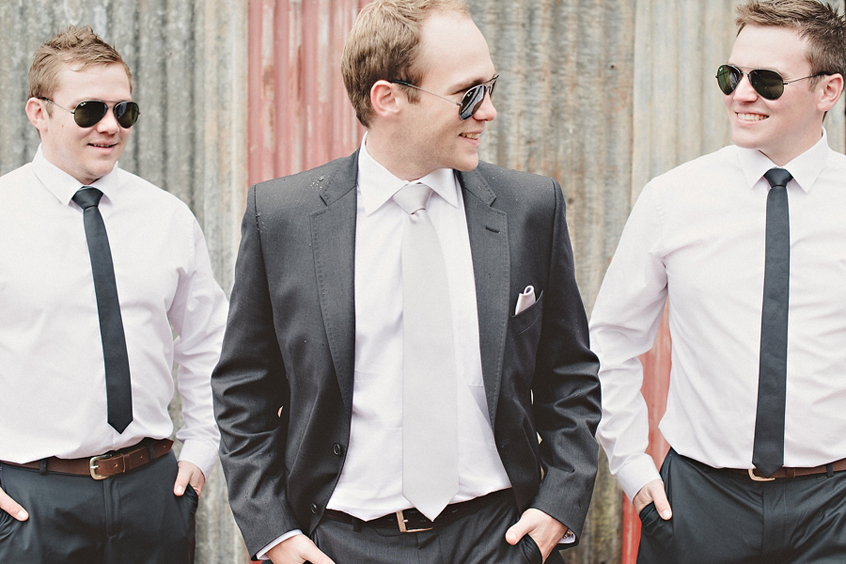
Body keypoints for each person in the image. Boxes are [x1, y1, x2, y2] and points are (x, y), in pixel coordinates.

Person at [211, 1, 601, 562]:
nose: (489, 111)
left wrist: (559, 503)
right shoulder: (283, 217)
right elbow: (244, 390)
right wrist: (273, 532)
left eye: (490, 87)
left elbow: (569, 375)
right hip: (340, 543)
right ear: (388, 98)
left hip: (501, 538)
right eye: (468, 93)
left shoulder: (530, 209)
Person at [590, 0, 846, 561]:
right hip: (699, 505)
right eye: (732, 75)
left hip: (835, 507)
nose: (741, 95)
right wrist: (632, 465)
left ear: (828, 90)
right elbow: (609, 340)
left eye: (767, 80)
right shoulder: (673, 198)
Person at [0, 25, 228, 563]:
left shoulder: (168, 217)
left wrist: (201, 449)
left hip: (153, 495)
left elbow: (209, 343)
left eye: (124, 111)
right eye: (89, 111)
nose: (110, 126)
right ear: (39, 113)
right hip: (31, 505)